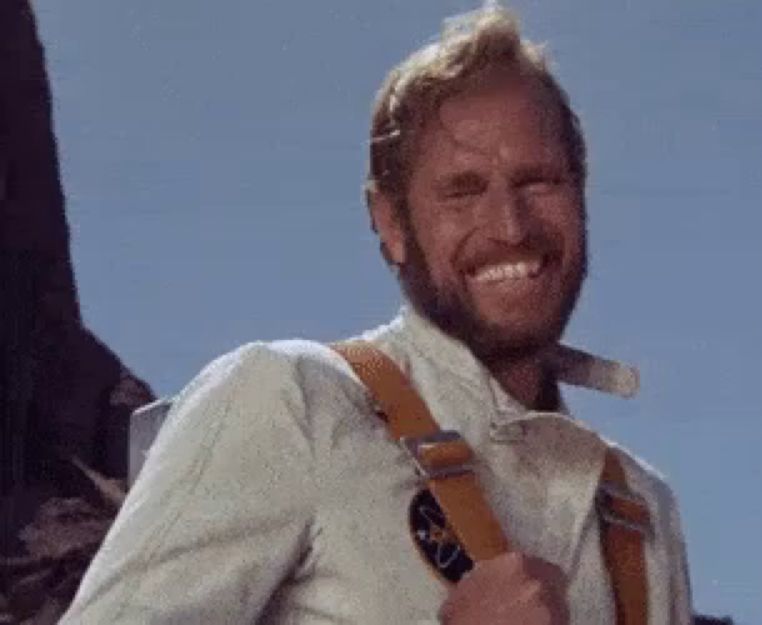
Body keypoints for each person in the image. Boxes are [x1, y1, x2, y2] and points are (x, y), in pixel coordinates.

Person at [60, 5, 693, 624]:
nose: (510, 225)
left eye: (539, 182)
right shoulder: (290, 400)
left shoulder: (640, 510)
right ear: (391, 225)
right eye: (463, 190)